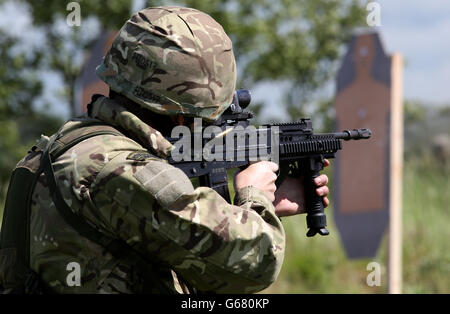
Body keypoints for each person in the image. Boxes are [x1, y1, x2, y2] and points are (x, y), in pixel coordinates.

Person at [0, 6, 329, 294]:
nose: (207, 128)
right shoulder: (126, 171)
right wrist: (254, 195)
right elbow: (254, 264)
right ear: (181, 113)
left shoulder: (74, 143)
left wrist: (253, 212)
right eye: (205, 119)